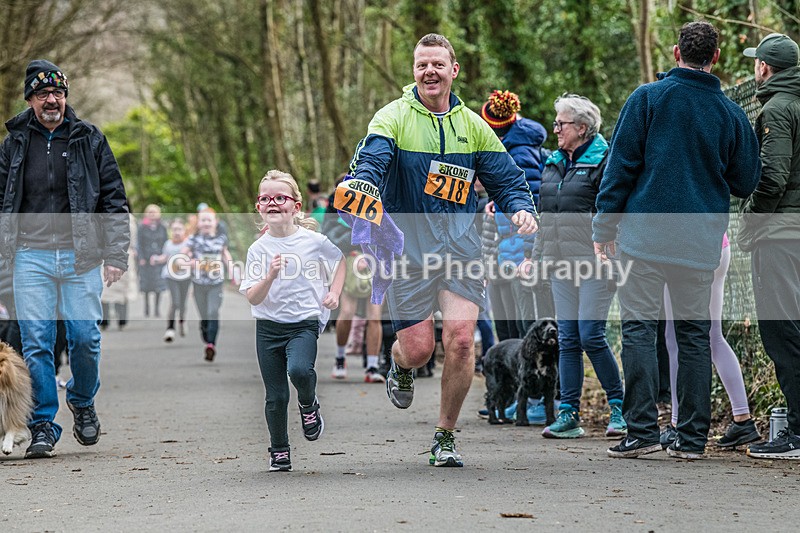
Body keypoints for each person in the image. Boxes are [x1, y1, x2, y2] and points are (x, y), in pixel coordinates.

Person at [348, 33, 537, 467]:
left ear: (453, 70)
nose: (428, 71)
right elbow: (371, 164)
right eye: (421, 65)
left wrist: (522, 209)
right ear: (413, 72)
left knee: (462, 342)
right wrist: (363, 186)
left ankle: (445, 436)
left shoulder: (472, 125)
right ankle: (400, 364)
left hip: (462, 249)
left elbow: (507, 178)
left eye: (437, 64)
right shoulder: (392, 117)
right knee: (417, 350)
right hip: (410, 251)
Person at [593, 22, 760, 459]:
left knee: (639, 331)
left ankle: (642, 433)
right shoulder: (731, 114)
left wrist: (603, 228)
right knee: (693, 336)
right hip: (700, 242)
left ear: (675, 52)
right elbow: (746, 181)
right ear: (716, 57)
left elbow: (620, 167)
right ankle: (690, 440)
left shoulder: (647, 99)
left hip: (643, 239)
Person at [0, 59, 130, 459]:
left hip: (82, 257)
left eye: (58, 93)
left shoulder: (89, 138)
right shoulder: (14, 142)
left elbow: (113, 198)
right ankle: (42, 424)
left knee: (85, 337)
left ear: (65, 97)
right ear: (30, 100)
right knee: (36, 343)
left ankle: (82, 399)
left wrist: (115, 253)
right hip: (29, 257)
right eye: (43, 94)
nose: (52, 100)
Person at [529, 94, 626, 439]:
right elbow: (546, 217)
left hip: (595, 264)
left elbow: (614, 210)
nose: (555, 129)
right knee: (568, 339)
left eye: (561, 123)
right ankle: (568, 413)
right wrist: (535, 258)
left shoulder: (605, 161)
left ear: (582, 128)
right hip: (560, 265)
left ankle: (619, 408)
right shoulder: (553, 163)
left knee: (590, 334)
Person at [240, 170, 345, 472]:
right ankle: (279, 450)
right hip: (268, 328)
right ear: (259, 207)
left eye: (280, 198)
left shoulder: (314, 241)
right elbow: (253, 297)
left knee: (299, 370)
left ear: (296, 206)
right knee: (275, 396)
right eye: (265, 198)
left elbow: (340, 261)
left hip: (303, 323)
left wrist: (334, 293)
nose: (272, 203)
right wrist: (270, 275)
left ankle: (309, 403)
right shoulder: (257, 250)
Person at [739, 33, 800, 459]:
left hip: (781, 236)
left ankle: (795, 432)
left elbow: (773, 178)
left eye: (756, 63)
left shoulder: (776, 109)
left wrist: (750, 223)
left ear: (764, 68)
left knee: (782, 333)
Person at [660, 234, 760, 449]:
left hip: (683, 251)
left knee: (676, 339)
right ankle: (743, 419)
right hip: (717, 246)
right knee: (714, 337)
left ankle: (678, 422)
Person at [480, 89, 553, 339]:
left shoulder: (520, 153)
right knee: (508, 324)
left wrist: (529, 254)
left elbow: (530, 203)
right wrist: (495, 202)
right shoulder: (511, 147)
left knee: (524, 326)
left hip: (520, 249)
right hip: (508, 245)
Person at [181, 207, 233, 361]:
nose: (206, 223)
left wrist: (232, 269)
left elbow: (225, 254)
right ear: (198, 223)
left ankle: (211, 345)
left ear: (215, 222)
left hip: (216, 282)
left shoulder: (221, 238)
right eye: (203, 220)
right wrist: (191, 262)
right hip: (199, 283)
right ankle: (206, 333)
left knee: (213, 312)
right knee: (204, 315)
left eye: (209, 220)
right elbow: (181, 257)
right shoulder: (193, 239)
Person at [157, 218, 191, 342]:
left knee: (182, 303)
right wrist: (156, 259)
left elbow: (191, 258)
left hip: (185, 276)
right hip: (170, 276)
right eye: (174, 229)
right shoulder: (168, 244)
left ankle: (182, 320)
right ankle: (170, 329)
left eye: (179, 229)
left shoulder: (188, 244)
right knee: (175, 302)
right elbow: (165, 257)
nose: (177, 232)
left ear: (184, 231)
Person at [137, 204, 168, 317]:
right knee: (146, 286)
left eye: (154, 212)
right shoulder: (142, 227)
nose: (152, 214)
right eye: (150, 212)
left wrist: (164, 257)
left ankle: (157, 309)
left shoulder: (162, 227)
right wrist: (141, 258)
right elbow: (138, 244)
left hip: (158, 260)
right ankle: (146, 307)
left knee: (158, 286)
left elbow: (166, 243)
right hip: (145, 260)